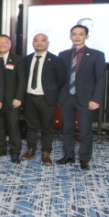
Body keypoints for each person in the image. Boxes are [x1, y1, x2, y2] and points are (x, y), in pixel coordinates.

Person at [56, 25, 106, 171]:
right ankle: (68, 155)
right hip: (66, 98)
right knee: (67, 129)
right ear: (70, 36)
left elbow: (101, 79)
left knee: (85, 131)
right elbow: (59, 77)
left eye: (81, 34)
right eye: (74, 34)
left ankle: (84, 158)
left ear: (86, 36)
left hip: (87, 99)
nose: (77, 37)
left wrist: (96, 99)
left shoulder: (97, 55)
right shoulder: (63, 54)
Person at [22, 33, 66, 166]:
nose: (39, 43)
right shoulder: (26, 59)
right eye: (36, 41)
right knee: (30, 126)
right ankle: (31, 149)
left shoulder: (55, 60)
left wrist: (52, 92)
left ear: (48, 43)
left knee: (47, 127)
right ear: (32, 43)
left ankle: (46, 152)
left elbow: (61, 79)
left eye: (42, 40)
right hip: (29, 97)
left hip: (46, 98)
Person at [0, 35, 25, 163]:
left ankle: (15, 152)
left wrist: (19, 98)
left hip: (12, 100)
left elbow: (22, 81)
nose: (2, 45)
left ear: (10, 45)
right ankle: (1, 149)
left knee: (13, 126)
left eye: (5, 43)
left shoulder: (18, 60)